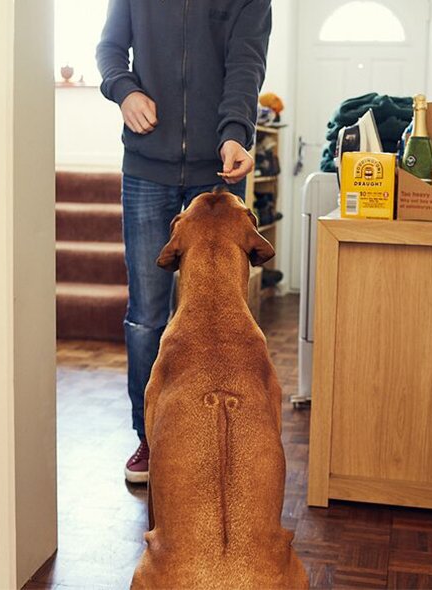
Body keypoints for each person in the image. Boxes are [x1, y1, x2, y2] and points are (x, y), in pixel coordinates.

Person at [97, 0, 272, 483]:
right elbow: (110, 49)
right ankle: (150, 439)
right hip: (146, 172)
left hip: (216, 175)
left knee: (219, 316)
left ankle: (212, 435)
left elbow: (246, 64)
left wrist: (236, 133)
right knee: (147, 315)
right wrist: (125, 90)